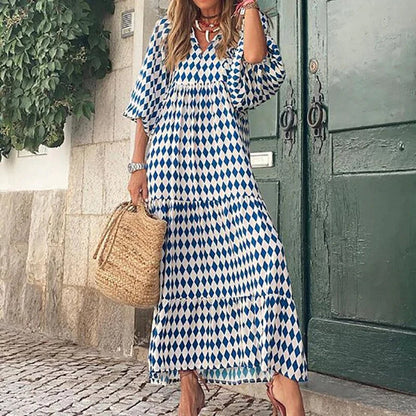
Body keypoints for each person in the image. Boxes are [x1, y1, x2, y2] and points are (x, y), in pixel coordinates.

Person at [122, 0, 308, 414]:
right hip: (173, 172)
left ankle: (282, 381)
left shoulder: (240, 30)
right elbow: (144, 108)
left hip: (227, 174)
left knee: (267, 263)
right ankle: (190, 391)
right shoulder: (166, 34)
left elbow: (260, 62)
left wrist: (250, 8)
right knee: (184, 284)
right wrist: (138, 166)